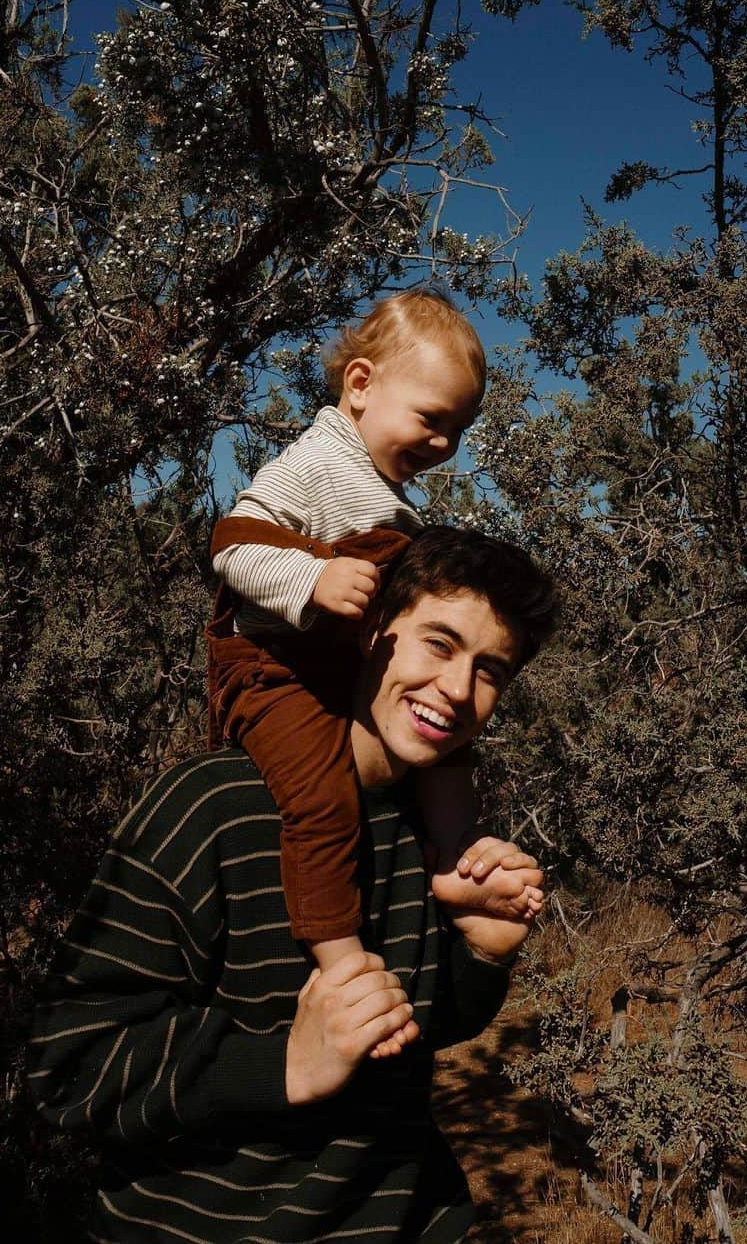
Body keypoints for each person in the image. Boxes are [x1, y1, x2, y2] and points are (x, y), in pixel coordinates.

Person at [29, 526, 556, 1242]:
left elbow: (406, 1037)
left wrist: (482, 954)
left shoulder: (429, 831)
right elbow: (70, 1063)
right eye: (439, 643)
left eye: (491, 670)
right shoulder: (214, 809)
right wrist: (282, 1064)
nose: (458, 689)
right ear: (370, 629)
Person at [210, 289, 530, 1015]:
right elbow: (233, 542)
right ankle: (339, 956)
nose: (444, 444)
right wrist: (314, 576)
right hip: (271, 669)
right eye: (431, 419)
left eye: (459, 429)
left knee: (447, 742)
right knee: (323, 800)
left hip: (328, 663)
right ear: (360, 385)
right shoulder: (319, 461)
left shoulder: (386, 488)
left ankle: (454, 855)